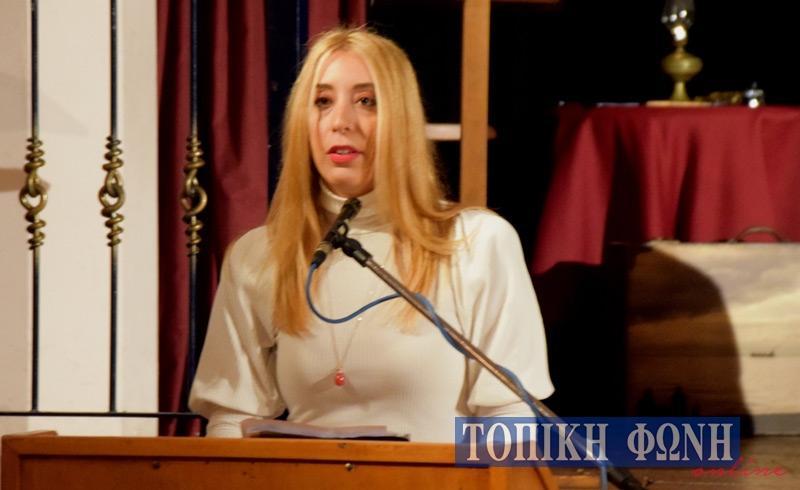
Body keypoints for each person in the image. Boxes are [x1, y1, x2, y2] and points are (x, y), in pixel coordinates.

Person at [189, 27, 554, 442]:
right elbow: (232, 421)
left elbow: (511, 419)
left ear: (402, 120)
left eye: (366, 101)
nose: (340, 122)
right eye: (322, 102)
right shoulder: (259, 255)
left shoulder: (476, 243)